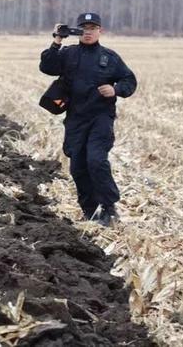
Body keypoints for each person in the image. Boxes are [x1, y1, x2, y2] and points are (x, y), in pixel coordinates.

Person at [39, 13, 137, 227]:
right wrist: (57, 40)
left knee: (96, 160)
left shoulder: (110, 58)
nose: (88, 32)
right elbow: (47, 67)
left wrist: (115, 89)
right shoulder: (68, 53)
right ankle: (90, 212)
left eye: (93, 28)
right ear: (78, 31)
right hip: (75, 118)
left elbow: (129, 80)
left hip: (100, 117)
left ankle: (109, 208)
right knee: (78, 168)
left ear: (100, 31)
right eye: (84, 28)